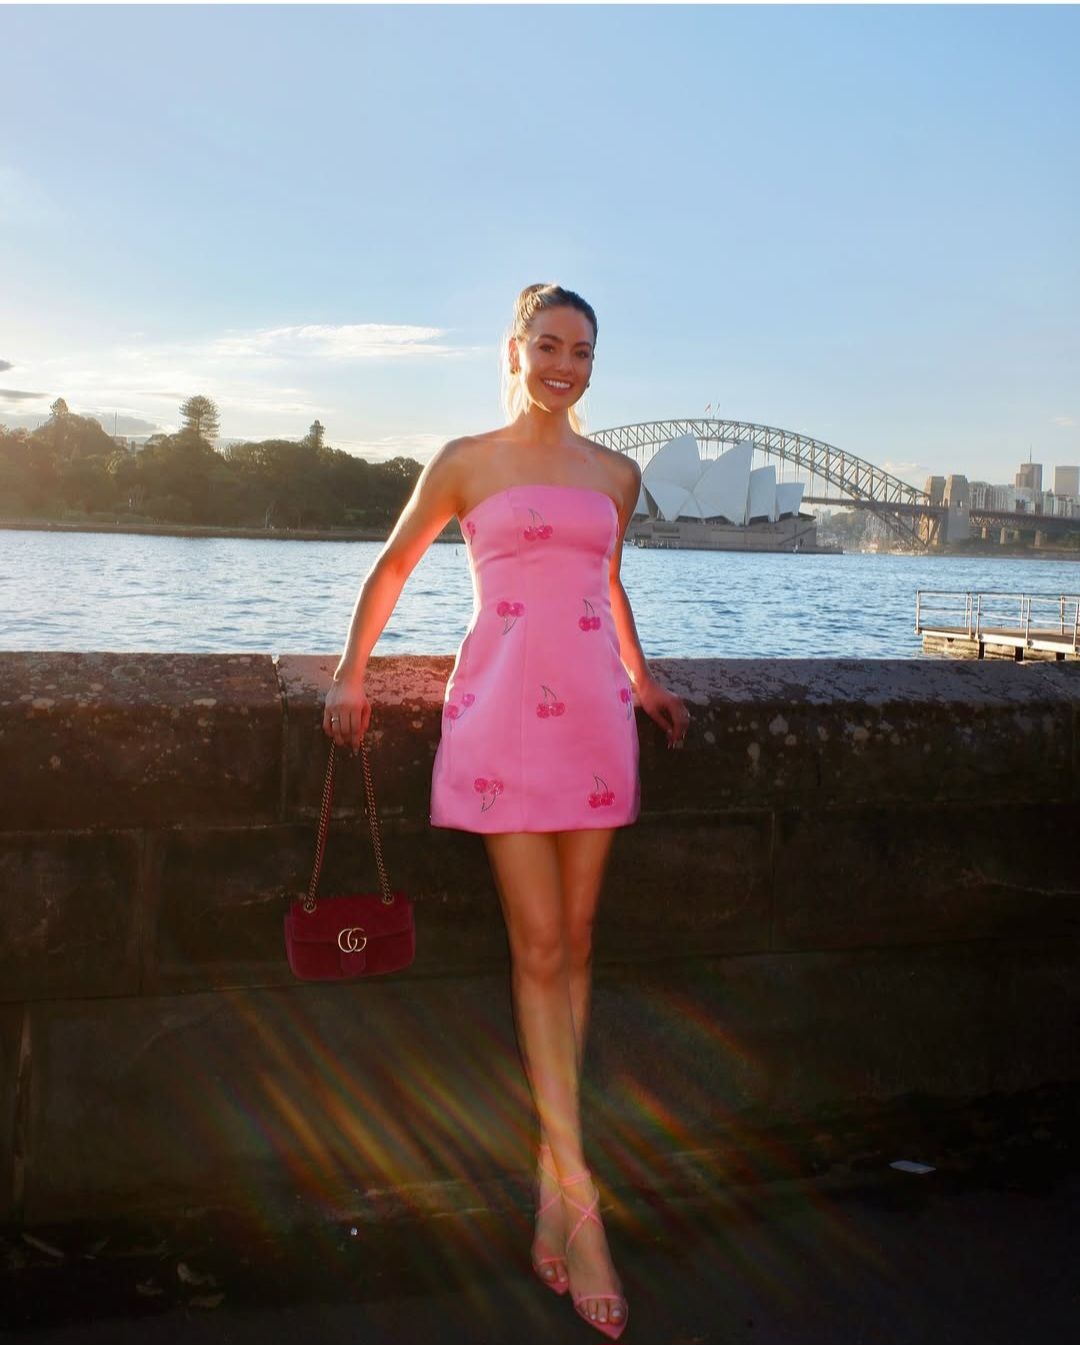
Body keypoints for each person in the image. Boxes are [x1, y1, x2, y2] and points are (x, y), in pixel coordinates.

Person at [324, 283, 691, 1339]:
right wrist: (351, 671)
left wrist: (644, 677)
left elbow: (607, 585)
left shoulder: (616, 474)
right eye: (549, 345)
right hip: (500, 722)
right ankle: (581, 1201)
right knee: (537, 948)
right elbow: (396, 562)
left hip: (595, 719)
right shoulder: (465, 460)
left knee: (576, 942)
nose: (565, 365)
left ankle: (549, 1189)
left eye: (583, 350)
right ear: (517, 349)